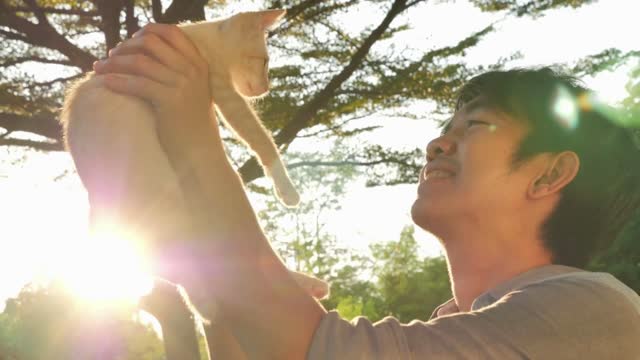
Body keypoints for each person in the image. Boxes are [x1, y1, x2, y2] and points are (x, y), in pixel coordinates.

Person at [92, 23, 640, 358]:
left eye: (475, 126)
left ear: (549, 175)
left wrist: (191, 122)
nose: (437, 145)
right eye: (444, 129)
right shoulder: (455, 327)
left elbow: (308, 348)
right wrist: (221, 298)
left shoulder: (593, 314)